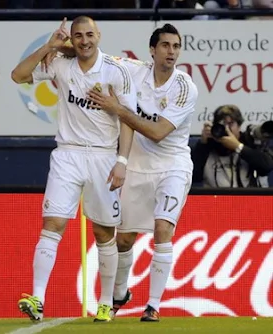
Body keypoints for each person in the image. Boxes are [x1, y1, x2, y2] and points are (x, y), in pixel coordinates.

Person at [46, 22, 198, 322]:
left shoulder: (184, 88)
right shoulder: (132, 70)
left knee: (163, 229)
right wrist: (61, 44)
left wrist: (118, 109)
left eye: (176, 46)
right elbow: (89, 53)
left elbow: (157, 132)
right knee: (124, 239)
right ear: (152, 50)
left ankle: (153, 305)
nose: (172, 52)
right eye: (166, 45)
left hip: (172, 165)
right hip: (137, 164)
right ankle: (119, 294)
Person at [10, 16, 137, 323]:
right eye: (78, 35)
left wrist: (122, 161)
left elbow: (128, 120)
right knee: (52, 223)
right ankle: (37, 299)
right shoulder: (60, 64)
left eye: (89, 34)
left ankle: (106, 302)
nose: (84, 40)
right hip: (67, 154)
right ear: (72, 39)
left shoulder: (116, 71)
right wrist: (48, 46)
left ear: (99, 35)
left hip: (104, 157)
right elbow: (18, 75)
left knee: (104, 231)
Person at [191, 104, 273, 187]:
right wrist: (202, 144)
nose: (227, 128)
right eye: (222, 124)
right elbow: (193, 177)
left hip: (246, 198)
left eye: (230, 124)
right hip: (214, 198)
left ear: (239, 126)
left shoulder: (248, 142)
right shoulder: (208, 146)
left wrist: (238, 147)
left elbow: (267, 167)